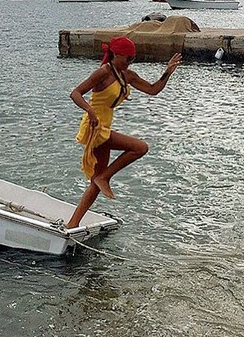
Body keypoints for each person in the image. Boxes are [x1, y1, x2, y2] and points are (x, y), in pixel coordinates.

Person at [65, 36, 182, 229]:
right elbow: (75, 93)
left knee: (96, 181)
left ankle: (73, 223)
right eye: (127, 59)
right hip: (94, 127)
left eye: (132, 59)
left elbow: (153, 90)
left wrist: (167, 72)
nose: (130, 63)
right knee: (140, 147)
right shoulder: (102, 73)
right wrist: (90, 110)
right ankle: (105, 178)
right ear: (116, 55)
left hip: (103, 128)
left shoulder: (127, 75)